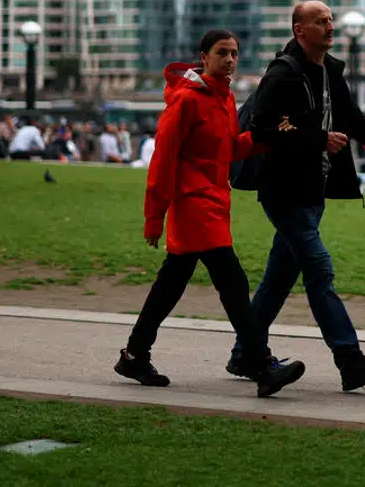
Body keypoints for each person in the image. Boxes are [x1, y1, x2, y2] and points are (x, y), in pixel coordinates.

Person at [227, 1, 365, 392]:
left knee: (277, 280)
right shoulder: (283, 73)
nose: (329, 26)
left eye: (330, 20)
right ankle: (349, 359)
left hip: (313, 189)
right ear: (299, 30)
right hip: (282, 189)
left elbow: (354, 121)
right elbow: (263, 128)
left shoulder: (330, 71)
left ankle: (243, 352)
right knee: (319, 269)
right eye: (320, 21)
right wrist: (318, 138)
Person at [115, 29, 306, 398]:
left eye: (234, 53)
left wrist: (269, 137)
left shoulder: (224, 97)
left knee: (170, 285)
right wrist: (155, 216)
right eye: (222, 53)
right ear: (204, 57)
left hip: (215, 204)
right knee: (233, 283)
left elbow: (229, 149)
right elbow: (163, 160)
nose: (230, 60)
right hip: (193, 206)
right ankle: (261, 363)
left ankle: (134, 355)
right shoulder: (186, 101)